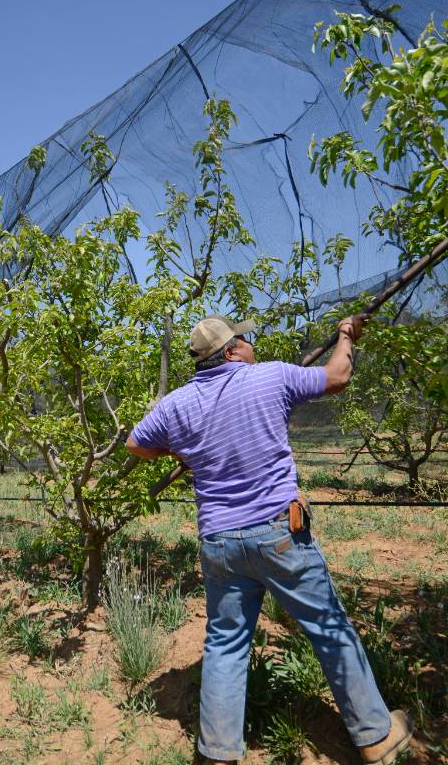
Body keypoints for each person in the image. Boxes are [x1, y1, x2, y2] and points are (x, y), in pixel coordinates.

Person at [127, 315, 412, 765]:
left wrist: (183, 449)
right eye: (247, 339)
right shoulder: (271, 377)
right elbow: (338, 376)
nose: (252, 344)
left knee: (225, 643)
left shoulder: (175, 406)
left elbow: (136, 444)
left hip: (219, 542)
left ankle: (219, 753)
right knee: (328, 628)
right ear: (231, 349)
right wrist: (345, 336)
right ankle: (376, 736)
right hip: (278, 533)